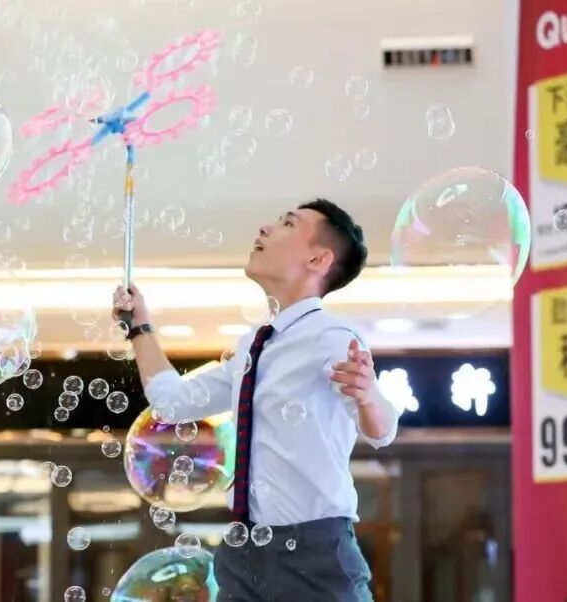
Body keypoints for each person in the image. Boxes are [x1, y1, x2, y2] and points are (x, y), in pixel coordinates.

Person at [112, 199, 399, 601]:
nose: (265, 227)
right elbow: (172, 402)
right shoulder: (255, 345)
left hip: (313, 553)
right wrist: (139, 326)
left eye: (287, 223)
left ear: (318, 259)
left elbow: (383, 430)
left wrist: (368, 396)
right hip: (243, 552)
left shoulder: (332, 337)